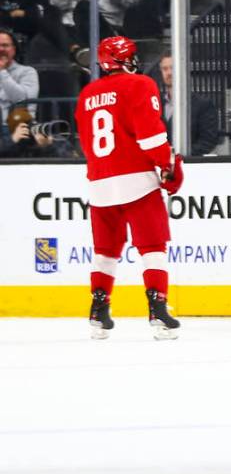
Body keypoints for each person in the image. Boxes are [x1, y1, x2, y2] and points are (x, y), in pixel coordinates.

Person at [73, 36, 183, 340]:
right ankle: (158, 311)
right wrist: (168, 165)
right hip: (137, 180)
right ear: (124, 60)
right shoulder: (141, 84)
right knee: (152, 246)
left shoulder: (87, 94)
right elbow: (150, 137)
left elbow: (85, 143)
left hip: (99, 182)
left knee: (105, 250)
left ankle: (98, 311)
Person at [158, 53, 219, 156]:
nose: (169, 72)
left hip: (189, 166)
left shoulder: (203, 105)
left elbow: (207, 142)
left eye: (173, 68)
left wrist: (175, 156)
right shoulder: (156, 103)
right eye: (165, 69)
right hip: (159, 166)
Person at [0, 107, 73, 158]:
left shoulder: (46, 134)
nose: (26, 129)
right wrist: (12, 140)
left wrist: (47, 146)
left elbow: (69, 158)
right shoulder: (10, 142)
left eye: (28, 123)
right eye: (21, 126)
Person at [0, 29, 38, 122]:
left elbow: (21, 100)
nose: (1, 49)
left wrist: (2, 71)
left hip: (18, 127)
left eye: (5, 45)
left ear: (14, 49)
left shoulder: (27, 72)